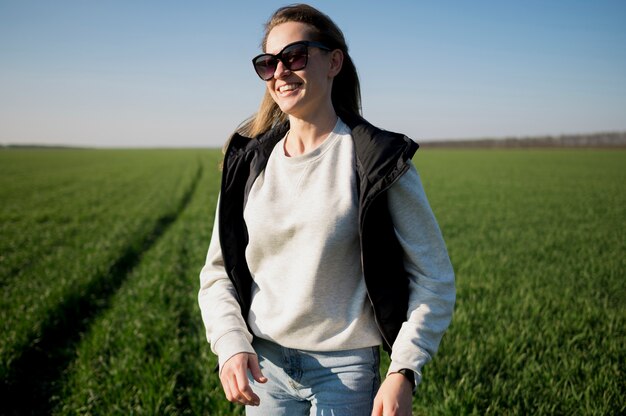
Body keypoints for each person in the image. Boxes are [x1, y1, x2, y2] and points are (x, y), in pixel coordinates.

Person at [198, 4, 455, 415]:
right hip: (265, 371)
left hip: (347, 372)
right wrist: (230, 344)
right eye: (268, 63)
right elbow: (217, 272)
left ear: (334, 61)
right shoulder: (248, 164)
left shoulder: (377, 162)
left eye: (294, 56)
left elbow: (434, 279)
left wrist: (403, 370)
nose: (280, 71)